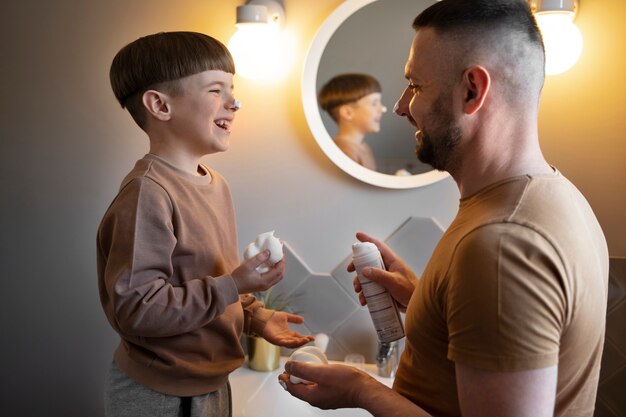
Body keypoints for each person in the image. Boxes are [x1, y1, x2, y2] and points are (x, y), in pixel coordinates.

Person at [280, 1, 609, 416]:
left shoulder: (501, 244)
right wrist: (424, 302)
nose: (402, 107)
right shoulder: (557, 198)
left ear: (472, 89)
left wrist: (360, 392)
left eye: (415, 86)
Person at [97, 31, 313, 417]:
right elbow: (138, 311)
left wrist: (254, 317)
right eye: (216, 90)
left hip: (210, 384)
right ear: (159, 105)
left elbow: (203, 281)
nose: (236, 102)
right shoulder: (149, 194)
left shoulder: (216, 185)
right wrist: (235, 284)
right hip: (160, 393)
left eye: (232, 89)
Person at [318, 73, 387, 170]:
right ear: (347, 112)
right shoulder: (343, 152)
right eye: (374, 103)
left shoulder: (364, 147)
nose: (383, 109)